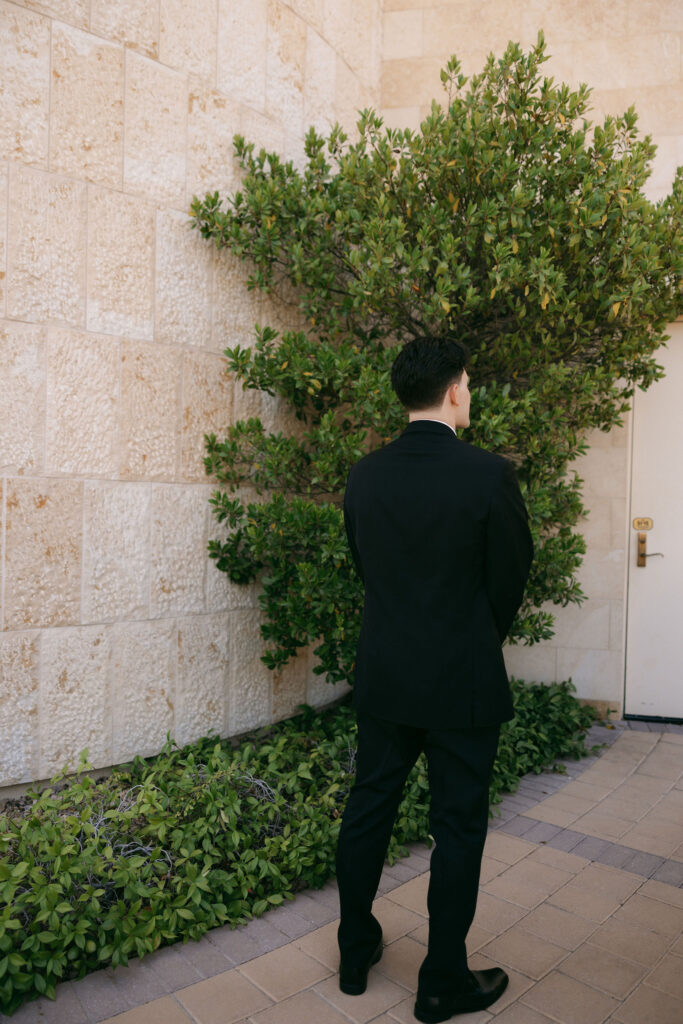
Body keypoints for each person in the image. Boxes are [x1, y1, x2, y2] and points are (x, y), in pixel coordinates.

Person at [335, 335, 534, 1023]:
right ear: (454, 389)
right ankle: (440, 980)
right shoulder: (488, 475)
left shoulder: (364, 476)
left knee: (368, 808)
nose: (470, 395)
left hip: (386, 675)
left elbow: (368, 568)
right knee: (457, 827)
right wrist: (473, 638)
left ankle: (353, 948)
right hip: (462, 682)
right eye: (470, 385)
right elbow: (509, 581)